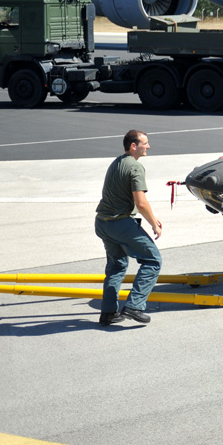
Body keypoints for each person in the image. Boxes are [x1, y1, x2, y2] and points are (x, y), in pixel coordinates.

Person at [94, 130, 163, 326]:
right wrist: (154, 223)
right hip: (120, 224)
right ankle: (134, 306)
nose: (148, 146)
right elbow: (141, 203)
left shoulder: (117, 162)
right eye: (145, 143)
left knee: (116, 267)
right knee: (153, 261)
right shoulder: (135, 167)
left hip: (102, 222)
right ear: (134, 146)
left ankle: (108, 313)